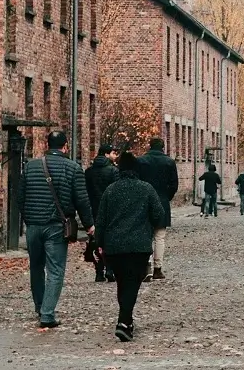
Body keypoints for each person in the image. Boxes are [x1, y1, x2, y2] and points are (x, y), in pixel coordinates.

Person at [22, 131, 93, 328]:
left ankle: (39, 306)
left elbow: (20, 196)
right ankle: (47, 314)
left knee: (36, 267)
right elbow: (82, 199)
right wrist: (89, 225)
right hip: (56, 226)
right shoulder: (73, 168)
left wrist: (28, 219)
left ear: (47, 144)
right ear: (65, 146)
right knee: (55, 270)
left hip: (33, 225)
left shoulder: (31, 166)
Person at [96, 152, 167, 342]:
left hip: (114, 246)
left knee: (122, 283)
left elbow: (101, 220)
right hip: (138, 246)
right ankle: (124, 321)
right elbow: (159, 214)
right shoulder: (146, 189)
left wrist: (99, 244)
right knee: (133, 284)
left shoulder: (111, 190)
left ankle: (126, 321)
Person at [136, 138, 178, 281]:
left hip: (144, 202)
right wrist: (166, 197)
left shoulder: (141, 161)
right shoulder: (169, 162)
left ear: (150, 146)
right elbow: (174, 185)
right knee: (159, 237)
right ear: (163, 147)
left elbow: (137, 181)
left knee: (146, 235)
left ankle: (146, 267)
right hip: (162, 201)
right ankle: (158, 269)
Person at [85, 144, 120, 282]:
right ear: (106, 154)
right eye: (113, 153)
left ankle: (99, 271)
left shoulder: (89, 172)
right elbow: (117, 193)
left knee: (96, 241)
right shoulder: (113, 171)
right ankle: (110, 270)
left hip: (93, 210)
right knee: (110, 241)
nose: (115, 155)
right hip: (110, 211)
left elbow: (85, 193)